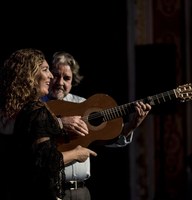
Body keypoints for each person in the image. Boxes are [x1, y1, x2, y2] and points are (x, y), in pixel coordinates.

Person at [42, 51, 151, 200]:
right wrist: (60, 123)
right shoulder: (38, 105)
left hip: (82, 191)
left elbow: (107, 139)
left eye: (66, 78)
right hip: (49, 190)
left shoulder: (83, 104)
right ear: (48, 76)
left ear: (73, 80)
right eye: (56, 75)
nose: (60, 82)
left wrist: (132, 125)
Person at [0, 48, 97, 200]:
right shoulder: (36, 110)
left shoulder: (19, 108)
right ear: (30, 75)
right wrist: (77, 154)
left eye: (66, 78)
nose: (51, 77)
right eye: (46, 70)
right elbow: (45, 162)